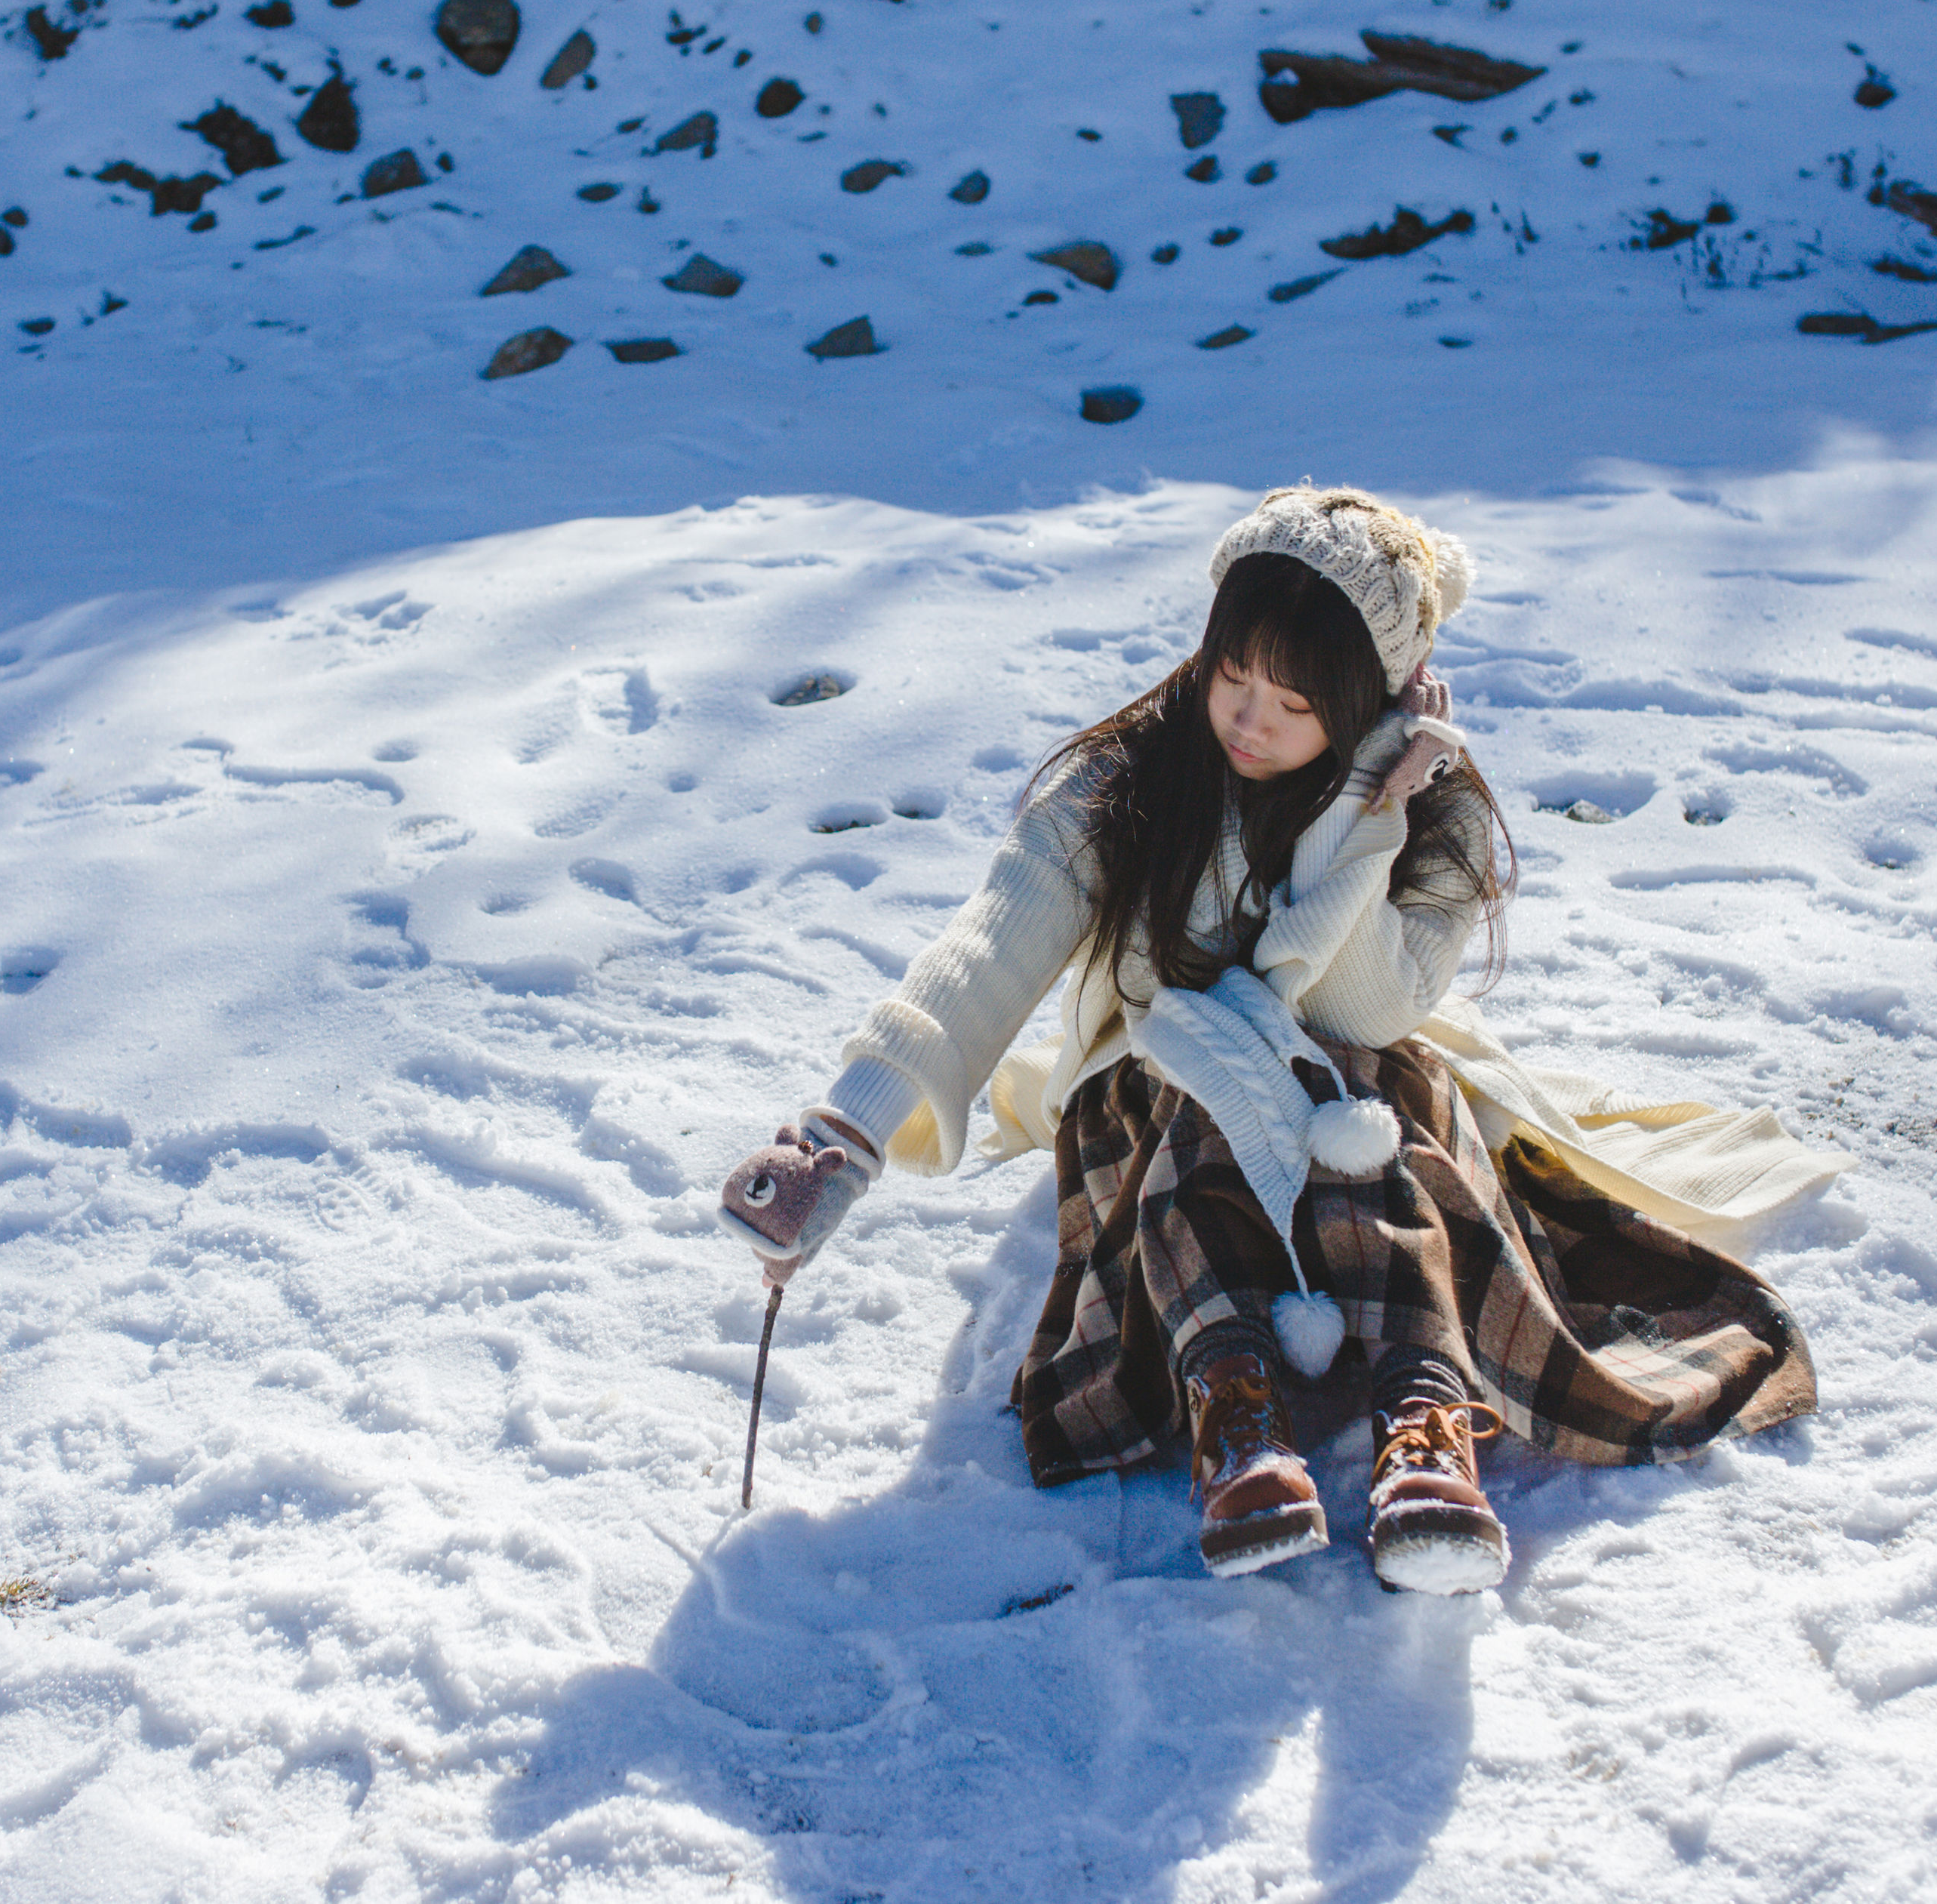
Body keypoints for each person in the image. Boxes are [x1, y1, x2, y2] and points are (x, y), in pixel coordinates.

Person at [718, 486, 1836, 1593]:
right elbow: (983, 955)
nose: (1250, 721)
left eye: (1295, 702)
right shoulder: (1121, 787)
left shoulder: (1424, 810)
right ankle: (1232, 1409)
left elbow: (1365, 1009)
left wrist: (1361, 820)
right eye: (1233, 677)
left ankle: (1426, 1425)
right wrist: (840, 1141)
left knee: (1363, 1093)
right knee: (1199, 1072)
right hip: (1153, 1105)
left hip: (1357, 1082)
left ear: (1364, 705)